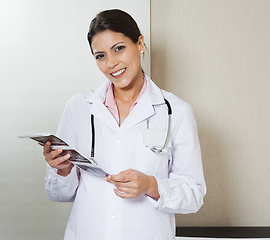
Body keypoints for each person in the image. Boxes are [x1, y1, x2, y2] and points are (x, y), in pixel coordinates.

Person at [43, 9, 206, 240]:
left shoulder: (176, 112)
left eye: (119, 48)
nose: (111, 63)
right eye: (100, 56)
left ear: (140, 44)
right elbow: (58, 194)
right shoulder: (78, 107)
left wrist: (151, 185)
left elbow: (194, 195)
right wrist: (62, 169)